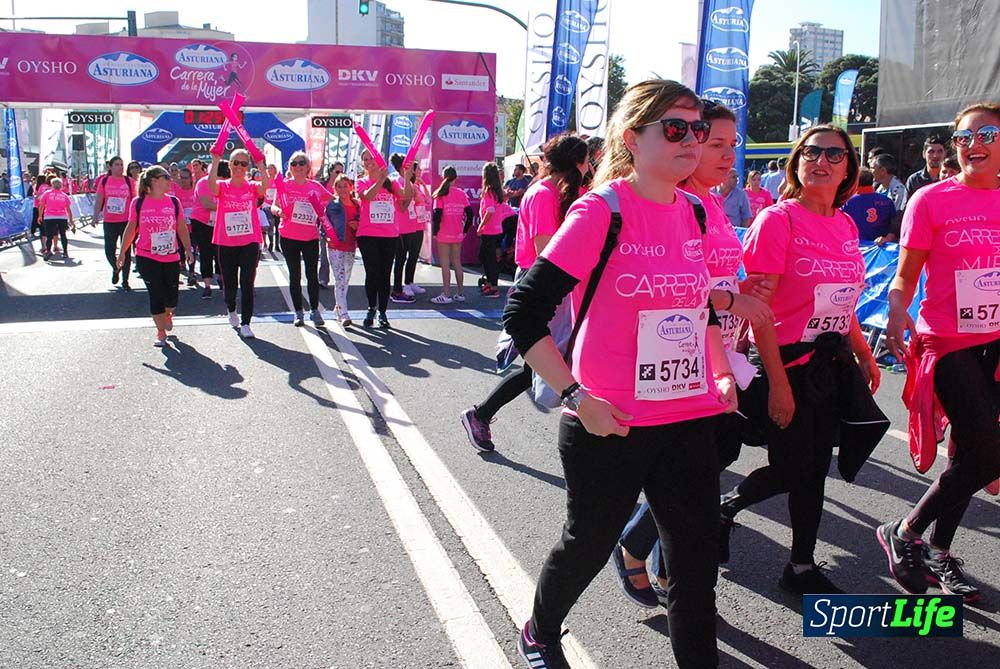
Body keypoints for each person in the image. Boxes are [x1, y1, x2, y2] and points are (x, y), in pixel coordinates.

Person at [505, 79, 737, 669]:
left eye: (698, 129)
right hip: (609, 420)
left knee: (694, 570)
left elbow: (700, 305)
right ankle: (540, 631)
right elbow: (524, 313)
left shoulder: (695, 211)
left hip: (688, 416)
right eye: (675, 128)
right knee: (588, 544)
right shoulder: (601, 211)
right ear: (632, 138)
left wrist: (719, 372)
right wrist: (576, 396)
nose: (692, 140)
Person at [614, 100, 776, 607]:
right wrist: (730, 300)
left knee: (711, 461)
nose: (727, 155)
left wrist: (740, 292)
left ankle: (652, 555)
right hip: (682, 355)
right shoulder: (672, 204)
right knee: (694, 472)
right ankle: (651, 557)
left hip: (720, 354)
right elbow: (672, 288)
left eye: (732, 144)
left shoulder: (711, 204)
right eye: (714, 144)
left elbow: (713, 278)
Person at [718, 124, 881, 595]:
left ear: (849, 168)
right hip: (784, 360)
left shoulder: (846, 225)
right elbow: (758, 310)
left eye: (834, 154)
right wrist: (778, 383)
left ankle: (802, 566)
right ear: (796, 162)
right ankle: (726, 507)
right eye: (811, 152)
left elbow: (843, 301)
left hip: (830, 364)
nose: (821, 161)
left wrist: (863, 353)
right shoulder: (778, 220)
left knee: (814, 471)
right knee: (792, 468)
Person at [878, 104, 1000, 604]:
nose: (974, 145)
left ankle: (939, 552)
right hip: (948, 341)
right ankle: (904, 531)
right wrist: (896, 309)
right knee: (988, 451)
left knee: (970, 454)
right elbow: (906, 273)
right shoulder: (930, 200)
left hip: (996, 343)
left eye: (986, 134)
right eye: (964, 138)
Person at [460, 134, 588, 452]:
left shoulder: (570, 192)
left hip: (563, 285)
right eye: (588, 160)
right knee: (545, 361)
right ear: (576, 163)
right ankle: (481, 414)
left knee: (552, 361)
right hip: (542, 285)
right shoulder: (543, 194)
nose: (591, 166)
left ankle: (481, 414)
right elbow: (546, 251)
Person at [117, 166, 194, 347]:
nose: (170, 180)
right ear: (153, 180)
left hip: (170, 256)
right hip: (147, 256)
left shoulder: (173, 202)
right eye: (165, 177)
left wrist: (188, 249)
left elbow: (181, 227)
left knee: (172, 297)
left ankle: (168, 314)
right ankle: (160, 332)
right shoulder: (138, 202)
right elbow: (131, 228)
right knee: (156, 294)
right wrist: (122, 252)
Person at [209, 148, 270, 339]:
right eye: (236, 162)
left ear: (247, 167)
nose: (239, 167)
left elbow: (265, 186)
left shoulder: (251, 187)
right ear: (230, 164)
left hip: (249, 241)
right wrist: (215, 160)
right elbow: (211, 186)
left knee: (247, 282)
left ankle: (246, 323)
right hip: (226, 241)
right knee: (230, 283)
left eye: (244, 164)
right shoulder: (222, 186)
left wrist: (260, 164)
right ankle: (231, 308)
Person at [271, 150, 332, 327]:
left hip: (310, 237)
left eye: (301, 163)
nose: (298, 166)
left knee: (312, 275)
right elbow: (274, 206)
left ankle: (314, 310)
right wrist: (278, 211)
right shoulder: (284, 185)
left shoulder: (315, 187)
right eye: (294, 163)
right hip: (288, 236)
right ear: (290, 167)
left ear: (308, 167)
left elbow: (333, 201)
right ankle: (298, 312)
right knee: (294, 274)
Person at [356, 149, 411, 328]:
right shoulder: (361, 181)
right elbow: (368, 196)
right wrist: (381, 179)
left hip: (389, 235)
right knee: (372, 273)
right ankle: (371, 307)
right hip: (368, 235)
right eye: (365, 159)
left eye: (371, 158)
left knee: (385, 274)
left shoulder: (392, 183)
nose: (368, 162)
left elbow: (405, 195)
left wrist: (407, 177)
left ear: (378, 159)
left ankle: (383, 312)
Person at [430, 166, 472, 304]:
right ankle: (460, 293)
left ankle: (447, 294)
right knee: (457, 262)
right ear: (456, 178)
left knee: (445, 264)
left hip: (444, 233)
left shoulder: (440, 194)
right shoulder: (461, 193)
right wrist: (465, 230)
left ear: (443, 177)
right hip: (457, 233)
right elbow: (470, 214)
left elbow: (437, 215)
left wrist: (435, 232)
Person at [94, 157, 137, 290]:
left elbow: (135, 200)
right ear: (110, 167)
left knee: (126, 251)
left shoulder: (129, 181)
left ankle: (125, 280)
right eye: (117, 165)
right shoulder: (104, 181)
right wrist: (95, 215)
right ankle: (115, 267)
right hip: (110, 221)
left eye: (121, 165)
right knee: (109, 250)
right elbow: (99, 199)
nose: (120, 167)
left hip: (126, 221)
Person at [390, 154, 425, 304]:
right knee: (400, 259)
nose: (413, 170)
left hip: (411, 226)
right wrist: (411, 195)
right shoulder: (398, 181)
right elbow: (403, 206)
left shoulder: (409, 182)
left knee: (407, 257)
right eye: (409, 167)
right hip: (401, 227)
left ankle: (406, 285)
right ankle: (397, 290)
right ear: (402, 168)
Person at [190, 160, 227, 299]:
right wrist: (229, 206)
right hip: (202, 221)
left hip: (219, 221)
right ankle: (207, 285)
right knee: (206, 252)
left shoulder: (226, 183)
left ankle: (221, 278)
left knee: (221, 251)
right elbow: (207, 204)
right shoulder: (204, 182)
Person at [328, 175, 360, 326]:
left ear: (351, 187)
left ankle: (338, 307)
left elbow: (363, 222)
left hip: (350, 245)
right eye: (339, 186)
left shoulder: (357, 205)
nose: (342, 189)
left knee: (345, 279)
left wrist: (357, 224)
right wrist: (327, 237)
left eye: (345, 186)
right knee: (340, 279)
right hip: (336, 246)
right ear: (335, 189)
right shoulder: (332, 206)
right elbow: (324, 223)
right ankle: (344, 313)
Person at [477, 162, 512, 298]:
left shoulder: (489, 191)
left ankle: (493, 286)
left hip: (489, 230)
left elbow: (490, 210)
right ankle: (490, 283)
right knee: (488, 257)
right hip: (497, 229)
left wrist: (481, 226)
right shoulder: (497, 191)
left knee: (488, 259)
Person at [841, 167, 898, 243]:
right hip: (881, 247)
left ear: (855, 182)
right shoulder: (887, 201)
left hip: (856, 246)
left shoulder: (847, 203)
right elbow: (894, 226)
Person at [37, 177, 75, 261]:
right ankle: (65, 252)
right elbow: (68, 209)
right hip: (62, 217)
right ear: (61, 185)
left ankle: (48, 251)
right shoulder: (64, 196)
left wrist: (40, 216)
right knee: (63, 234)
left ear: (52, 185)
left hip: (49, 217)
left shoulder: (47, 194)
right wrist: (71, 220)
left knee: (49, 235)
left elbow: (41, 206)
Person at [261, 164, 279, 253]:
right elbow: (262, 193)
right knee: (270, 226)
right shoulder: (265, 181)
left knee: (277, 226)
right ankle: (271, 243)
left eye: (271, 168)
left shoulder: (278, 181)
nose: (270, 170)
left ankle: (277, 245)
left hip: (277, 206)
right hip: (267, 206)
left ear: (275, 170)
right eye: (268, 168)